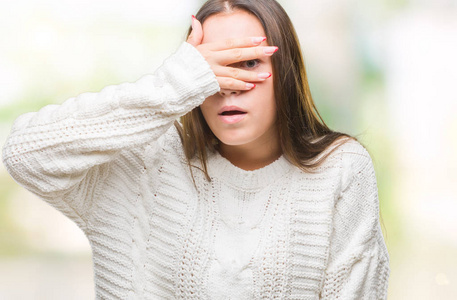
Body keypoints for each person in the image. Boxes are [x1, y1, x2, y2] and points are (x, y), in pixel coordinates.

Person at [2, 0, 390, 299]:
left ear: (285, 73)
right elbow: (24, 153)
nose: (228, 85)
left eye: (247, 63)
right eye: (213, 69)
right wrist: (173, 86)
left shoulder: (339, 170)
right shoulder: (145, 163)